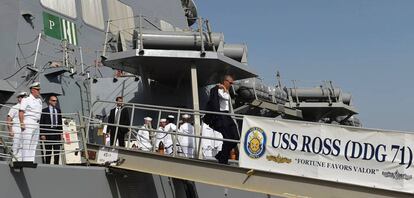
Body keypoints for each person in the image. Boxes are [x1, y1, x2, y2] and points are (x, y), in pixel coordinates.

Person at [203, 75, 239, 164]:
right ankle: (223, 159)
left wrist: (225, 89)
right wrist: (222, 88)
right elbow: (224, 97)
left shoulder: (224, 90)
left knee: (235, 138)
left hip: (227, 116)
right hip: (221, 116)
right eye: (230, 83)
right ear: (225, 81)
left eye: (232, 83)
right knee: (227, 138)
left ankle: (220, 155)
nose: (231, 85)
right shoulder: (218, 90)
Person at [19, 82, 43, 162]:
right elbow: (21, 112)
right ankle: (24, 161)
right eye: (37, 89)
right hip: (28, 122)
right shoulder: (26, 100)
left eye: (39, 89)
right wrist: (22, 123)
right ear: (32, 90)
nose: (39, 91)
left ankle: (30, 161)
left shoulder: (39, 101)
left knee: (34, 144)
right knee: (26, 143)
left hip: (37, 123)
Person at [39, 95, 62, 164]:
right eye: (53, 100)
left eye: (56, 101)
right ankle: (47, 165)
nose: (55, 102)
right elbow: (41, 122)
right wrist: (42, 133)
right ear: (49, 101)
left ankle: (56, 165)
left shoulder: (58, 111)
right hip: (48, 132)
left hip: (56, 132)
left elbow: (60, 122)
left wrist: (61, 133)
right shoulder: (44, 111)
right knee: (48, 151)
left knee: (57, 151)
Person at [6, 92, 27, 161]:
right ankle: (14, 160)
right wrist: (10, 131)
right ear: (19, 98)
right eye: (22, 97)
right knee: (15, 146)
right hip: (16, 129)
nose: (24, 98)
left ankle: (20, 161)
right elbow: (9, 119)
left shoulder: (27, 108)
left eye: (25, 97)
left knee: (23, 146)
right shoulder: (14, 108)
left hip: (25, 130)